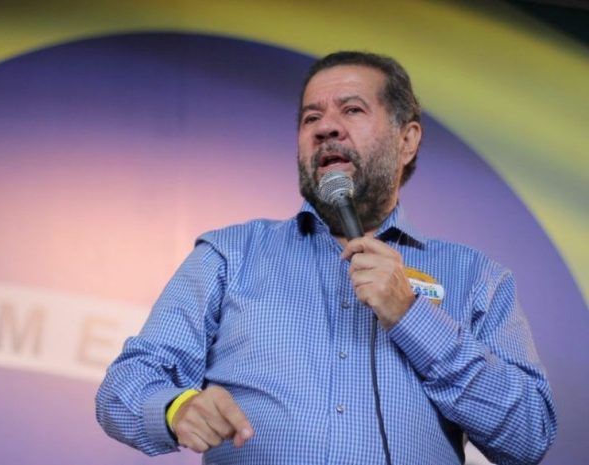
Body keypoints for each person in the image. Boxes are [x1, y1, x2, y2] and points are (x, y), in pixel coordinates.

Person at [95, 51, 557, 464]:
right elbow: (125, 385)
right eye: (310, 117)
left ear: (407, 140)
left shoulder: (476, 278)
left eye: (352, 110)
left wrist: (412, 316)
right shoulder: (230, 255)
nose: (325, 127)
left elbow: (528, 436)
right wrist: (177, 410)